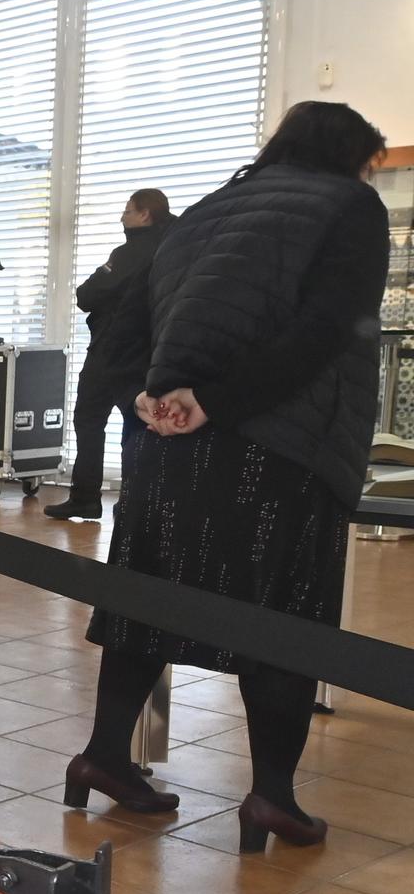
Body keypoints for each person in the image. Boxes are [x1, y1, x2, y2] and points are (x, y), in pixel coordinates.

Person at [66, 101, 389, 852]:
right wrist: (216, 402)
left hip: (169, 445)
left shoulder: (208, 210)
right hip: (284, 448)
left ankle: (105, 756)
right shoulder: (352, 206)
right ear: (351, 154)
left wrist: (153, 398)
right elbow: (325, 331)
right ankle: (272, 797)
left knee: (146, 602)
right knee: (282, 618)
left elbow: (128, 319)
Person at [45, 189, 176, 520]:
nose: (122, 217)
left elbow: (88, 294)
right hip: (152, 356)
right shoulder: (176, 249)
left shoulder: (130, 252)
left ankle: (86, 498)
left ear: (145, 214)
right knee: (138, 426)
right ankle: (135, 502)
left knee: (89, 420)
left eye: (128, 211)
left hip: (111, 350)